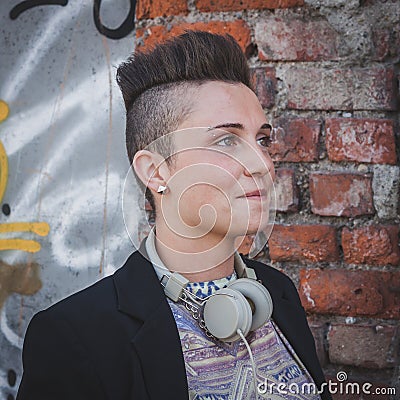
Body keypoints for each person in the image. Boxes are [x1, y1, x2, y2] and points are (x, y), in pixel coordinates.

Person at [17, 31, 331, 400]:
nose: (262, 164)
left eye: (262, 140)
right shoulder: (77, 337)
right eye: (226, 140)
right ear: (156, 171)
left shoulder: (277, 294)